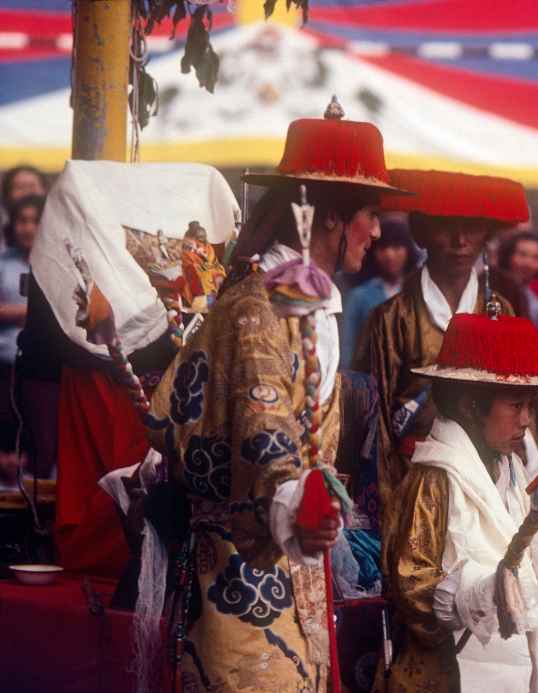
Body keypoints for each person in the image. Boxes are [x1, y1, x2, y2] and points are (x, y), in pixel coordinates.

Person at [146, 100, 405, 691]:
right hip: (241, 564)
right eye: (370, 212)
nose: (378, 230)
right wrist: (300, 502)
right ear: (333, 219)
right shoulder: (258, 308)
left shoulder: (304, 303)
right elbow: (266, 426)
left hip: (291, 553)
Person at [379, 312, 538, 693]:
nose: (526, 420)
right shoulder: (435, 478)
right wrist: (485, 590)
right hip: (446, 675)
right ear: (469, 406)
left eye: (531, 405)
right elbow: (413, 586)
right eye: (515, 405)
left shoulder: (510, 470)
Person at [352, 168, 529, 567]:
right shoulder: (391, 318)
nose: (460, 241)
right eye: (446, 227)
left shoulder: (502, 311)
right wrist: (389, 505)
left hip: (490, 474)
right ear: (422, 232)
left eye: (472, 228)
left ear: (488, 234)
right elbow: (377, 422)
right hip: (415, 477)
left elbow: (518, 400)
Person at [339, 217, 417, 366]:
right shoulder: (359, 296)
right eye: (382, 248)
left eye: (396, 247)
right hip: (371, 382)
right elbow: (347, 347)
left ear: (408, 251)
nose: (389, 255)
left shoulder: (419, 292)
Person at [0, 195, 41, 445]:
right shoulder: (4, 263)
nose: (28, 228)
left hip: (41, 365)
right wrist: (32, 313)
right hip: (4, 360)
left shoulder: (55, 264)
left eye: (35, 221)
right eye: (22, 221)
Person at [498, 231, 538, 328]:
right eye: (522, 255)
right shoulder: (495, 290)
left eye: (536, 257)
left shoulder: (531, 295)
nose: (528, 263)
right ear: (508, 256)